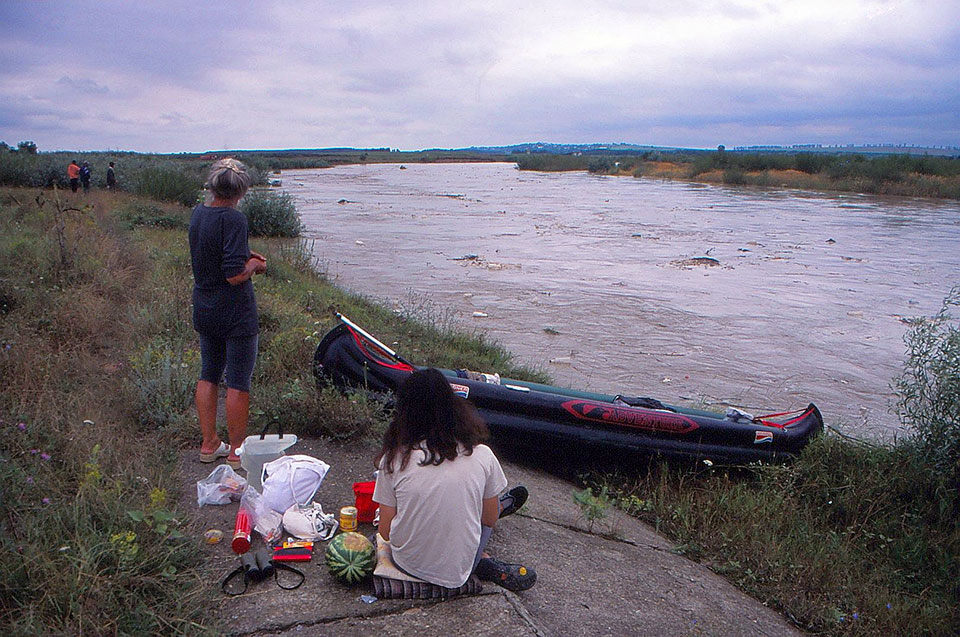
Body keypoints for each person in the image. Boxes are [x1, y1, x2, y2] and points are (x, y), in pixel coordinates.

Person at [373, 368, 535, 591]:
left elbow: (385, 531)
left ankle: (486, 550)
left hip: (407, 565)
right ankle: (485, 553)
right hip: (458, 573)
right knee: (486, 512)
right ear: (453, 407)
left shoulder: (395, 459)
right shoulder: (482, 454)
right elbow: (488, 520)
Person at [189, 158, 266, 469]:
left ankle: (209, 444)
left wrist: (244, 255)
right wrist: (254, 265)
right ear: (241, 191)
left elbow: (210, 250)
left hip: (205, 305)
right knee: (237, 380)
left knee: (208, 373)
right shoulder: (234, 220)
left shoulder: (198, 214)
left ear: (212, 186)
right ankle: (236, 450)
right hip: (235, 311)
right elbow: (234, 274)